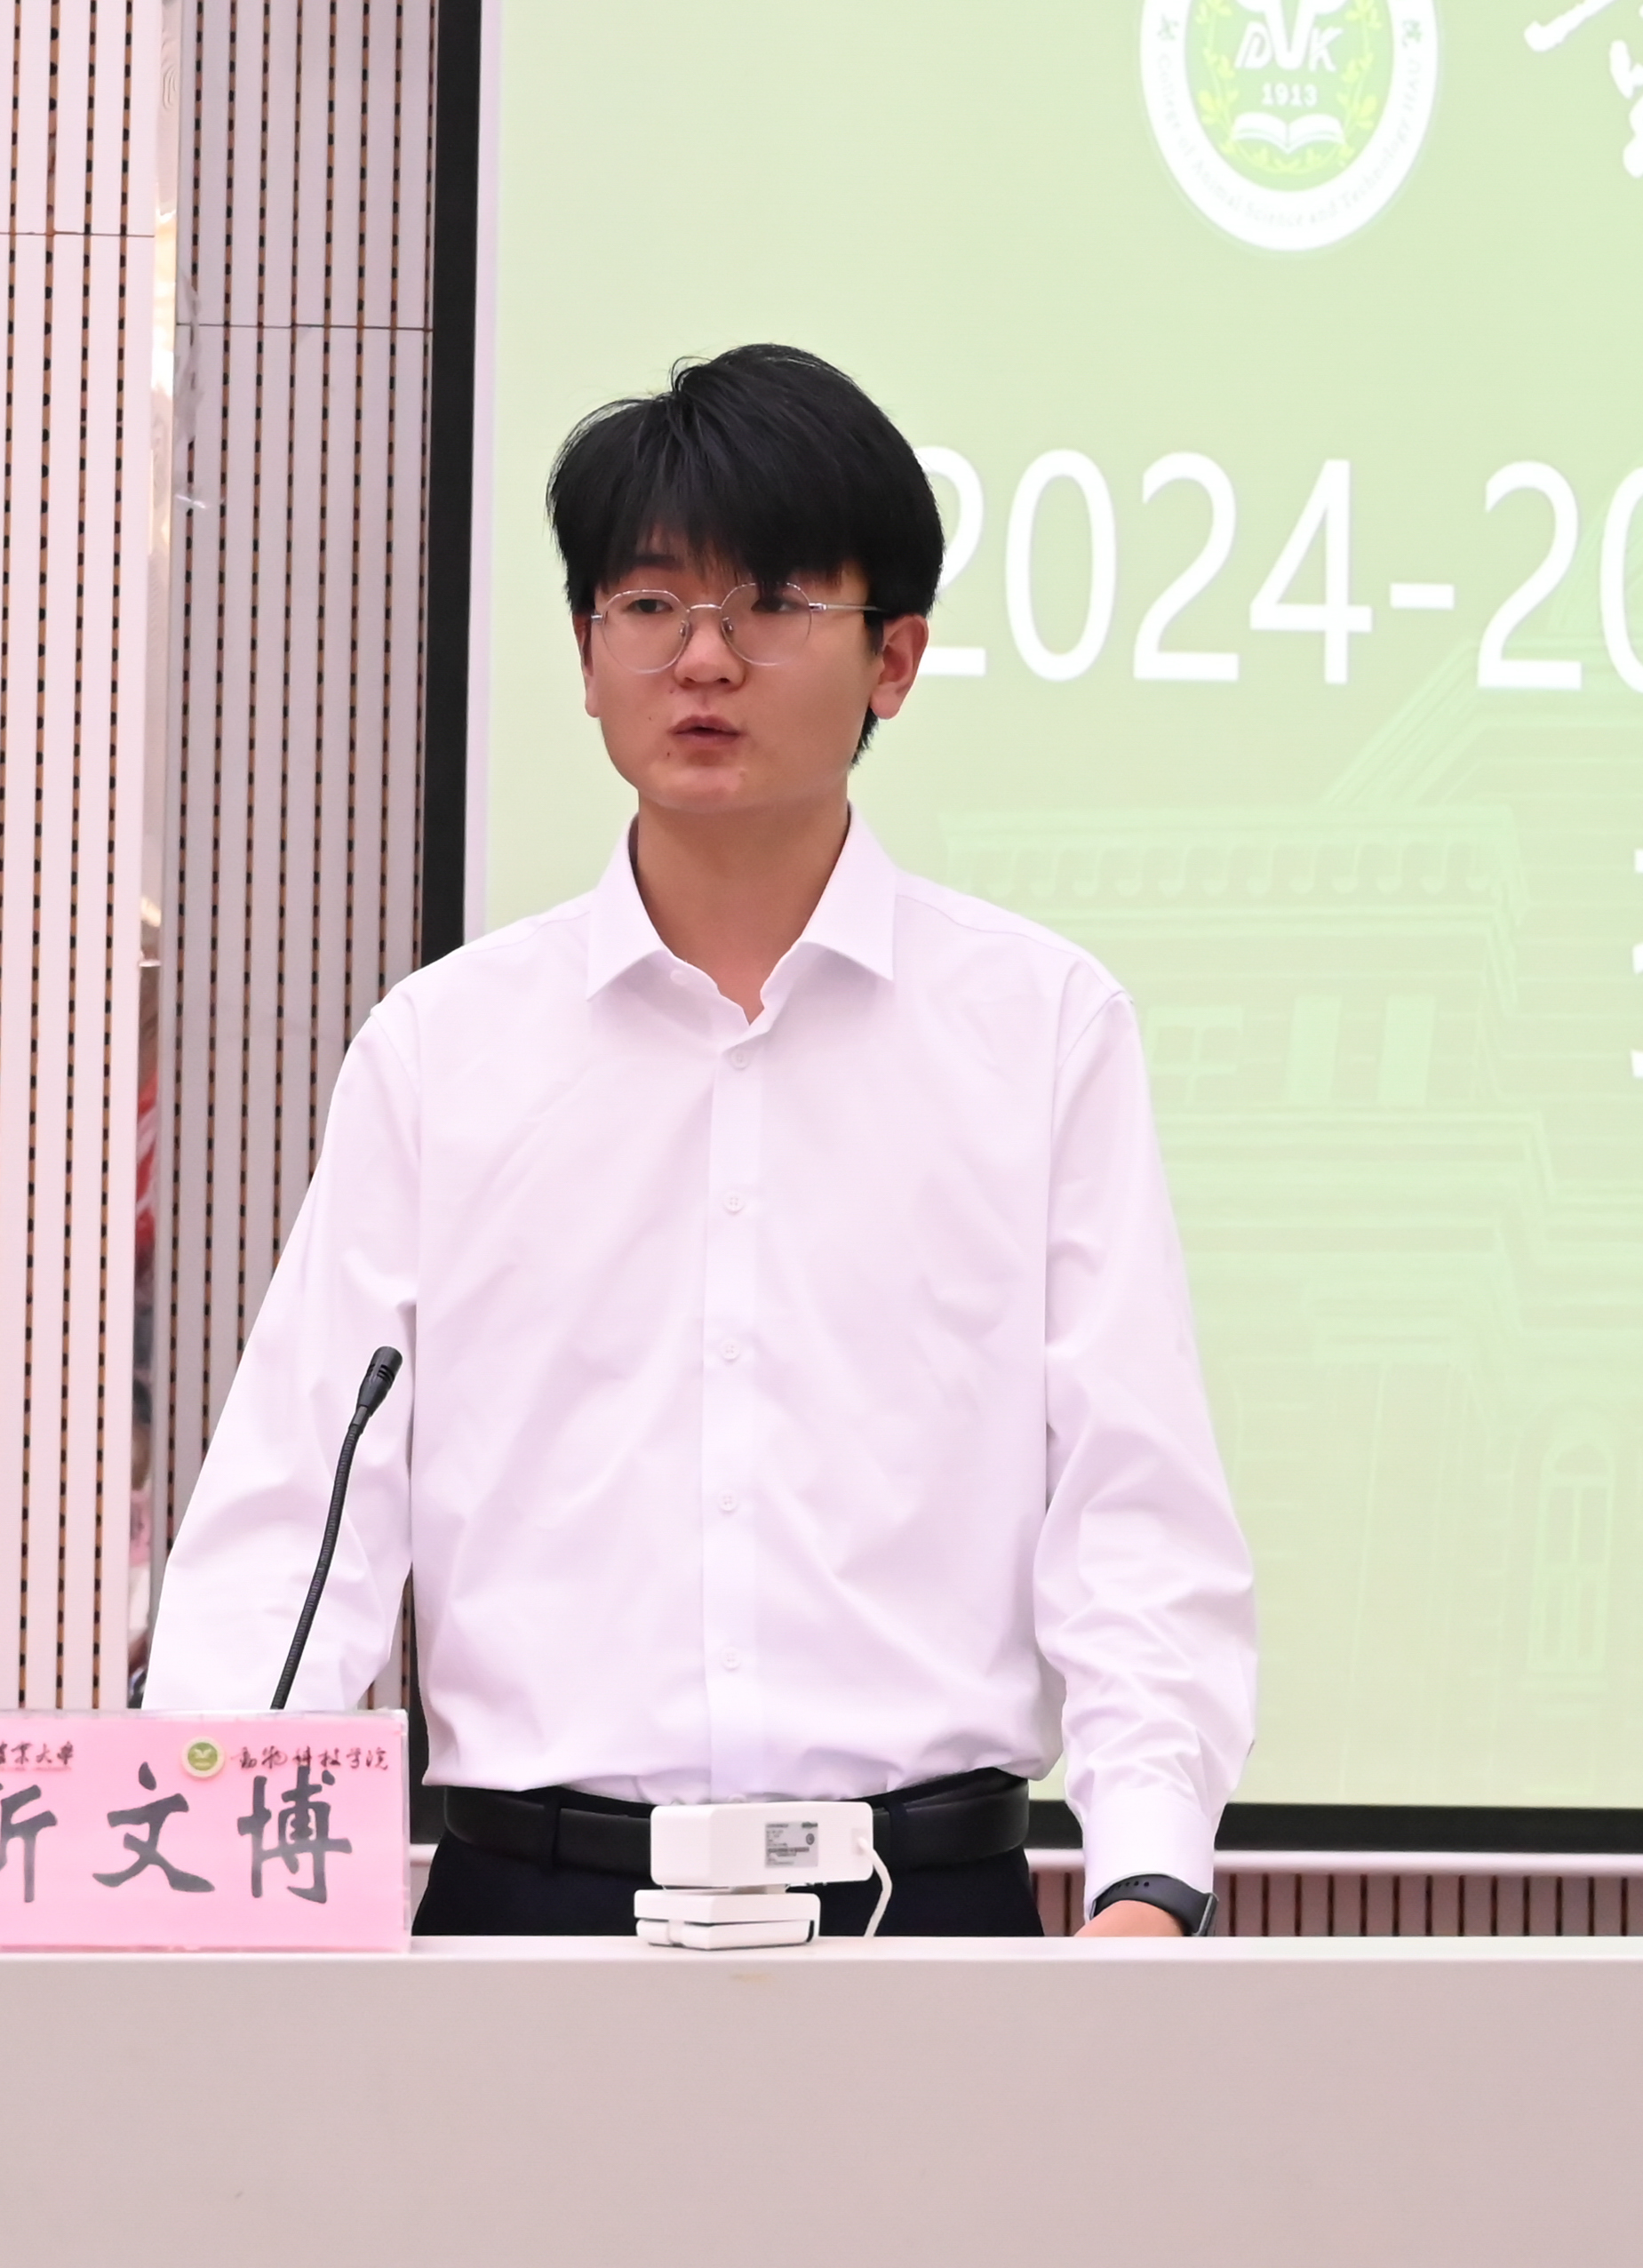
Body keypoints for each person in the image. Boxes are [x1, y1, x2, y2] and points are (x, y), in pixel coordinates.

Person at [143, 345, 1255, 1938]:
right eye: (650, 605)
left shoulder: (1041, 1029)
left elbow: (1133, 1496)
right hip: (529, 1914)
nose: (705, 658)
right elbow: (300, 1506)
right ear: (587, 656)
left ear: (895, 658)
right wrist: (208, 1865)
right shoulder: (444, 1052)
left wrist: (1146, 1878)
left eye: (774, 604)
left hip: (924, 1916)